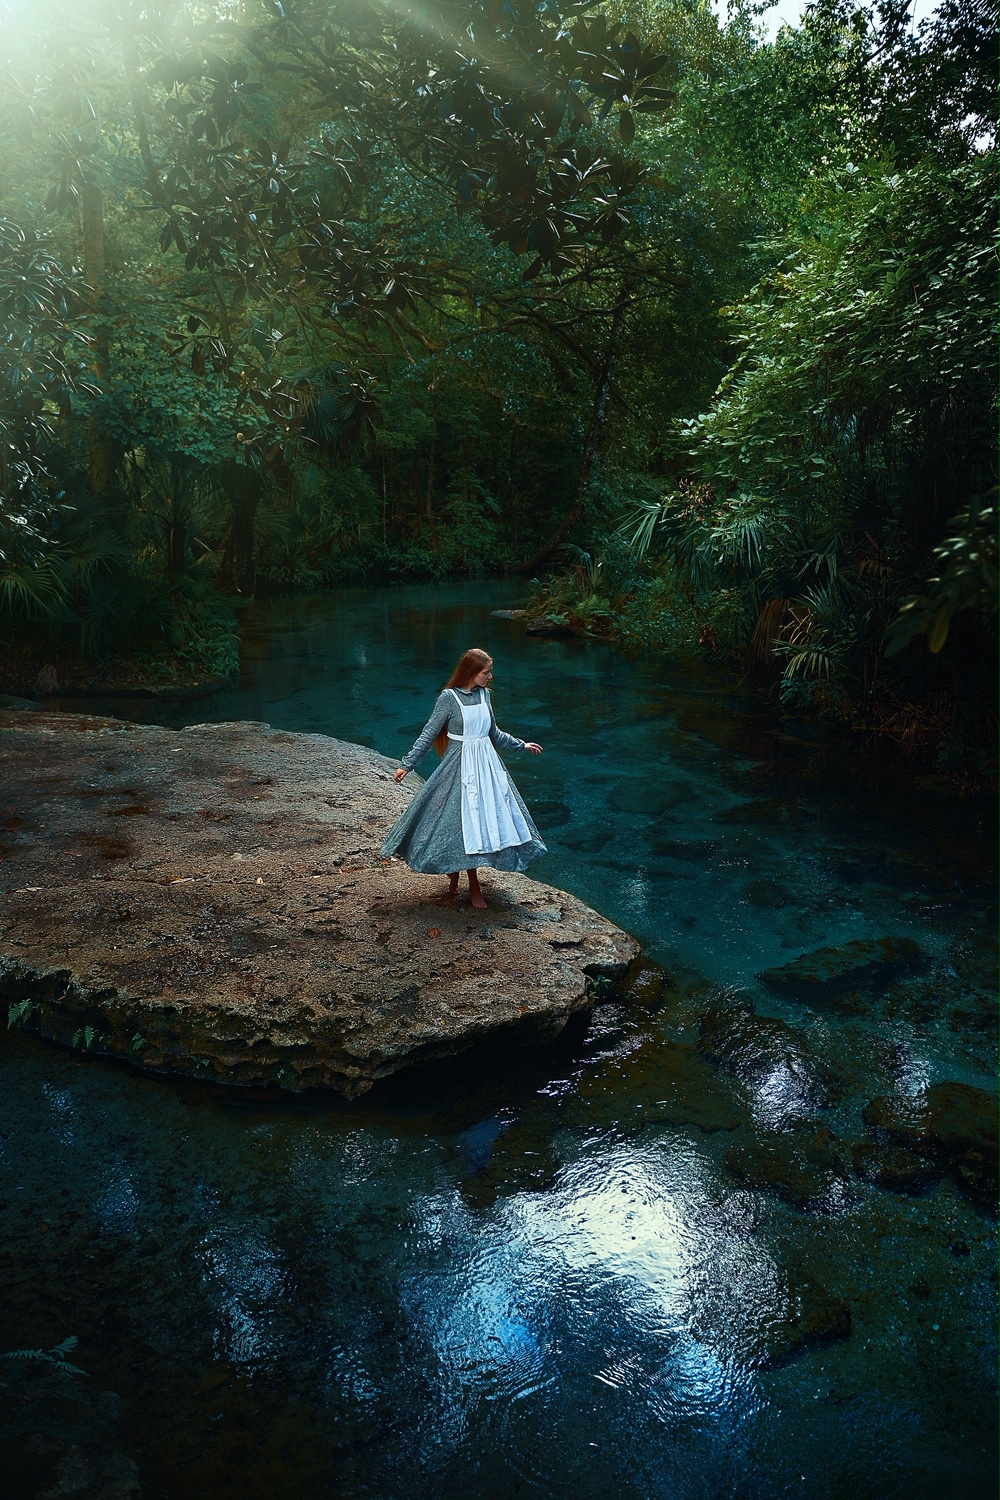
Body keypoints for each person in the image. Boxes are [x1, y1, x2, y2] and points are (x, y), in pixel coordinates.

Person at [381, 648, 545, 908]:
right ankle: (470, 885)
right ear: (471, 672)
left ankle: (459, 880)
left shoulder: (484, 696)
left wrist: (521, 745)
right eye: (486, 672)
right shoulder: (448, 698)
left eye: (490, 671)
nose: (490, 676)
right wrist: (407, 764)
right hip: (459, 767)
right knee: (461, 826)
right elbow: (429, 733)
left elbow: (494, 733)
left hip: (487, 767)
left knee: (484, 823)